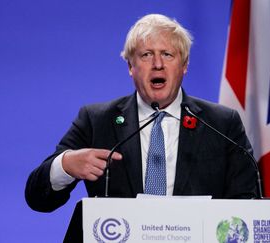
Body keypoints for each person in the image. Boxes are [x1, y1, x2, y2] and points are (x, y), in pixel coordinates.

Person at [25, 14, 257, 213]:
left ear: (184, 65)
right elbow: (38, 198)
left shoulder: (222, 124)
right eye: (146, 55)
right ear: (130, 67)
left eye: (168, 54)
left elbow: (247, 202)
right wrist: (65, 165)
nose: (158, 64)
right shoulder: (96, 120)